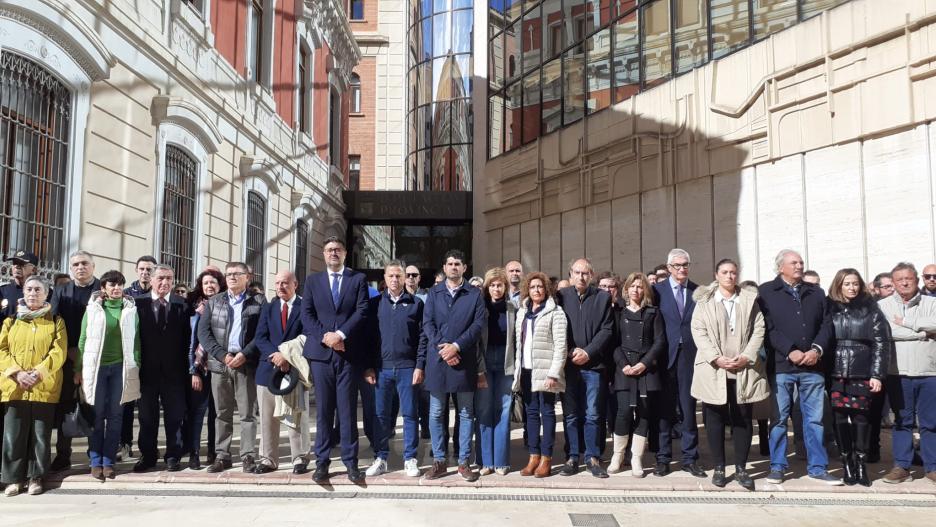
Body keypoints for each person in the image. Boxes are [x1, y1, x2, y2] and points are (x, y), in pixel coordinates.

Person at [758, 249, 839, 485]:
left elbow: (826, 325)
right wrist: (790, 349)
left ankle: (817, 467)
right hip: (783, 366)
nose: (799, 266)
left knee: (814, 420)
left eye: (801, 262)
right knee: (779, 419)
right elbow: (767, 327)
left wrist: (816, 350)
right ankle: (778, 466)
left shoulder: (816, 292)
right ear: (780, 267)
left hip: (812, 367)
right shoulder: (766, 292)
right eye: (794, 262)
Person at [690, 259, 768, 490]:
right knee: (714, 419)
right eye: (724, 272)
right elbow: (698, 330)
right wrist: (715, 357)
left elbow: (759, 328)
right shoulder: (705, 301)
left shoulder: (748, 299)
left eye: (733, 272)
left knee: (743, 419)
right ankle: (720, 467)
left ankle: (742, 468)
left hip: (743, 368)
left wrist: (746, 355)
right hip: (714, 368)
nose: (729, 276)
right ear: (716, 274)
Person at [300, 237, 369, 484]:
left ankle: (351, 463)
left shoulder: (357, 280)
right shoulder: (312, 281)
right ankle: (322, 463)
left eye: (338, 249)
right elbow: (306, 314)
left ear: (345, 253)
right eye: (329, 250)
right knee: (324, 411)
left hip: (348, 354)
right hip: (321, 355)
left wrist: (341, 334)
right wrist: (326, 337)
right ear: (324, 253)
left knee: (348, 410)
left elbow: (362, 311)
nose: (333, 253)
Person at [422, 249, 487, 481]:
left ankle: (463, 462)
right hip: (438, 361)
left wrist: (457, 346)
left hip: (464, 361)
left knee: (466, 412)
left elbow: (477, 325)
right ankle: (439, 461)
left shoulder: (474, 295)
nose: (453, 267)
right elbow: (428, 324)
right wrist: (445, 348)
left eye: (457, 264)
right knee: (437, 412)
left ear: (464, 268)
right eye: (449, 263)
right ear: (444, 267)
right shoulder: (434, 293)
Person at [198, 262, 266, 473]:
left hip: (246, 364)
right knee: (222, 413)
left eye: (237, 274)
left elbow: (262, 333)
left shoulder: (259, 302)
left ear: (248, 277)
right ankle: (222, 455)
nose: (232, 277)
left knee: (247, 414)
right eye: (228, 274)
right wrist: (222, 355)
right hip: (221, 364)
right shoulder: (214, 302)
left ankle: (247, 456)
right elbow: (204, 333)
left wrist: (244, 354)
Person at [0, 276, 66, 496]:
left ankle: (36, 477)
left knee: (40, 435)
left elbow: (59, 352)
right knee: (14, 435)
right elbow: (2, 350)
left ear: (46, 294)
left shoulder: (56, 320)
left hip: (43, 387)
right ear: (23, 293)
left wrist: (39, 372)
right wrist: (17, 373)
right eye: (29, 289)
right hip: (14, 386)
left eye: (38, 289)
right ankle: (13, 479)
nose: (33, 293)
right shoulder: (11, 320)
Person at [825, 268, 889, 487]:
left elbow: (881, 342)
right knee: (840, 418)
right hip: (835, 371)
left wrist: (877, 374)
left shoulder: (870, 308)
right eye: (846, 284)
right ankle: (847, 463)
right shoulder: (829, 307)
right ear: (839, 285)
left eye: (855, 283)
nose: (851, 288)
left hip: (862, 370)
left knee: (862, 418)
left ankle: (861, 462)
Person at [76, 270, 141, 480]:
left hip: (120, 368)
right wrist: (79, 369)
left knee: (115, 417)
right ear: (103, 288)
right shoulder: (94, 309)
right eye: (112, 285)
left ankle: (109, 461)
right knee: (97, 415)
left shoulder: (130, 310)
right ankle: (95, 461)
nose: (116, 288)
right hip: (97, 369)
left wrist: (136, 364)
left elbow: (136, 340)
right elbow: (83, 340)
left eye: (119, 284)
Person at [363, 261, 426, 478]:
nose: (395, 280)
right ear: (385, 277)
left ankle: (410, 458)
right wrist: (369, 367)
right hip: (381, 369)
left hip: (408, 368)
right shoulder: (374, 304)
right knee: (380, 415)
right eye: (391, 276)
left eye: (399, 276)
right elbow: (368, 339)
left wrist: (420, 365)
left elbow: (423, 339)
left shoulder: (416, 304)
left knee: (410, 414)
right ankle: (381, 458)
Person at [879, 262, 936, 484]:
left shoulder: (931, 303)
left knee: (930, 422)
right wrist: (923, 333)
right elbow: (886, 331)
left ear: (917, 280)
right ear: (893, 283)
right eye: (900, 279)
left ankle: (932, 467)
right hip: (897, 372)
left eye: (909, 278)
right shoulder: (883, 306)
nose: (904, 282)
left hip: (930, 372)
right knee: (902, 421)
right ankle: (901, 466)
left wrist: (907, 322)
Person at [557, 258, 613, 478]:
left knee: (592, 414)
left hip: (593, 366)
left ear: (592, 275)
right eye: (577, 273)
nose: (581, 277)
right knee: (570, 415)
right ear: (570, 274)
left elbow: (607, 330)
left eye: (585, 273)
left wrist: (588, 351)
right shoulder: (561, 297)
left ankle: (592, 457)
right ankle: (572, 456)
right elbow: (556, 326)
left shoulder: (602, 297)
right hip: (568, 366)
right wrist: (570, 351)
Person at [652, 249, 705, 478]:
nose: (682, 269)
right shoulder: (657, 291)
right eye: (677, 265)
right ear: (669, 267)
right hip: (664, 356)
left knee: (688, 408)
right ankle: (663, 458)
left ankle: (690, 458)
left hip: (690, 357)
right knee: (664, 410)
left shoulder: (698, 291)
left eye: (685, 265)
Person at [133, 265, 190, 472]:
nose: (165, 282)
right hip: (146, 371)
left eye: (169, 278)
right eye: (161, 278)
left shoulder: (182, 305)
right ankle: (147, 455)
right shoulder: (137, 304)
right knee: (147, 416)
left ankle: (173, 455)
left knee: (174, 416)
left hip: (174, 371)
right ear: (151, 280)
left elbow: (187, 340)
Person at [252, 271, 310, 474]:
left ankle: (299, 458)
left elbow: (308, 335)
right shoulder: (268, 308)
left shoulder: (305, 307)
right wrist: (276, 355)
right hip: (268, 369)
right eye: (277, 283)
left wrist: (287, 356)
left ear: (295, 284)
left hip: (293, 370)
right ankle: (268, 459)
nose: (280, 287)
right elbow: (260, 338)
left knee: (295, 416)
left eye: (285, 283)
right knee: (267, 418)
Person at [608, 272, 665, 478]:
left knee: (643, 413)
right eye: (633, 286)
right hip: (624, 369)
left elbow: (659, 341)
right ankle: (617, 455)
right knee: (623, 412)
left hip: (646, 370)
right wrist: (623, 364)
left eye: (640, 287)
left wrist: (644, 363)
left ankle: (636, 458)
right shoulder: (619, 312)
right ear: (626, 289)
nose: (636, 290)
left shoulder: (653, 312)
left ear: (645, 290)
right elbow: (613, 343)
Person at [49, 250, 100, 472]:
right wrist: (68, 350)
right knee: (65, 407)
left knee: (94, 408)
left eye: (84, 263)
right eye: (76, 264)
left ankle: (95, 455)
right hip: (67, 358)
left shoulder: (102, 289)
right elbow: (53, 322)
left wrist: (88, 352)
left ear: (93, 266)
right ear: (71, 268)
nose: (80, 267)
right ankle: (63, 455)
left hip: (97, 358)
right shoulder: (61, 292)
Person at [513, 272, 566, 478]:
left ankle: (546, 459)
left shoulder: (556, 312)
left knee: (548, 413)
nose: (536, 290)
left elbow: (561, 346)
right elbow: (520, 343)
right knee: (531, 415)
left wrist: (554, 373)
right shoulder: (522, 313)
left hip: (546, 372)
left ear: (546, 289)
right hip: (526, 370)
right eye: (533, 287)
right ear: (528, 289)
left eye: (540, 287)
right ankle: (533, 456)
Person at [475, 267, 516, 476]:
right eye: (492, 285)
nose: (496, 289)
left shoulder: (512, 308)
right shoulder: (480, 308)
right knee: (484, 410)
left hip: (506, 364)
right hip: (484, 363)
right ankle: (484, 461)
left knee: (503, 411)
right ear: (487, 287)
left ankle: (500, 460)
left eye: (500, 285)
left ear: (505, 286)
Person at [182, 269, 224, 470]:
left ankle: (214, 451)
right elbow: (189, 342)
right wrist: (194, 370)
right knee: (197, 412)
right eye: (206, 282)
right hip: (198, 366)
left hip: (218, 366)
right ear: (201, 285)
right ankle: (194, 453)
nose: (209, 286)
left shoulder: (225, 305)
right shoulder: (192, 308)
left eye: (213, 282)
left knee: (217, 413)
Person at [118, 255, 156, 463]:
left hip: (150, 356)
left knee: (147, 407)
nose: (145, 273)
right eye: (142, 269)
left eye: (149, 269)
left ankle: (147, 447)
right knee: (125, 403)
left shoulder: (158, 293)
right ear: (136, 270)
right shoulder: (127, 295)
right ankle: (124, 443)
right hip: (129, 355)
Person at [1, 251, 39, 319]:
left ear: (34, 270)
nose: (16, 266)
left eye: (22, 263)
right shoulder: (2, 291)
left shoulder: (44, 293)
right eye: (14, 263)